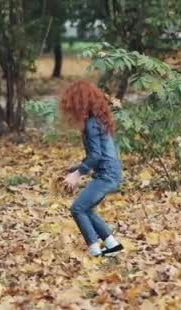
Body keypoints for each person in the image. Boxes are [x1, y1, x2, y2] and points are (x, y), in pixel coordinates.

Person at [60, 80, 124, 257]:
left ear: (80, 102)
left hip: (106, 176)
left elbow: (95, 156)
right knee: (86, 209)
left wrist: (77, 175)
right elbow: (97, 155)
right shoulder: (95, 121)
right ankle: (112, 244)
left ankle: (94, 250)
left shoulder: (91, 124)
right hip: (110, 173)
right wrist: (75, 168)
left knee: (78, 209)